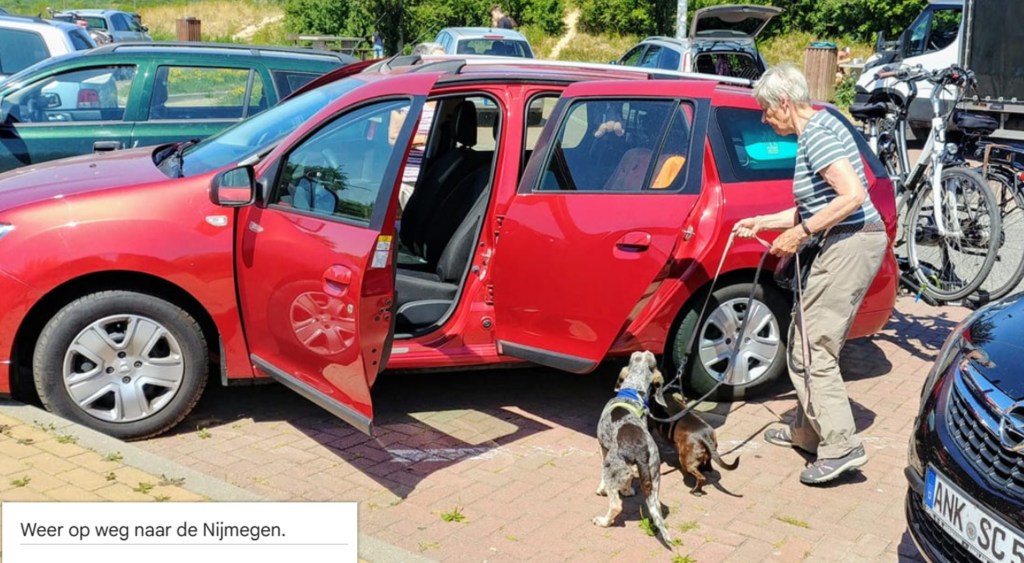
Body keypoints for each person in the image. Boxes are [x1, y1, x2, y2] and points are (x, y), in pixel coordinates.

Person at [733, 63, 887, 486]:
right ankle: (806, 432)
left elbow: (852, 195)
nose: (765, 119)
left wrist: (800, 234)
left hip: (851, 242)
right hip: (847, 239)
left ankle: (841, 446)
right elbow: (816, 205)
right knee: (805, 338)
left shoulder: (817, 134)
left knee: (813, 347)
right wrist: (763, 222)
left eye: (767, 110)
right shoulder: (819, 129)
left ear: (784, 102)